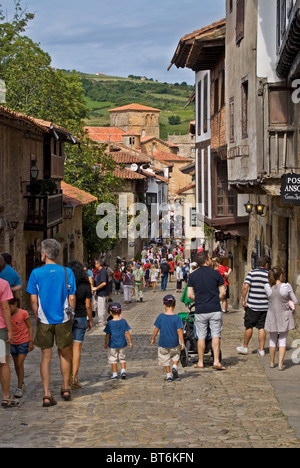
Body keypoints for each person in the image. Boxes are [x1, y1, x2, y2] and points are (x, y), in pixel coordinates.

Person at [26, 239, 76, 407]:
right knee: (64, 353)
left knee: (45, 357)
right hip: (63, 318)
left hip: (44, 319)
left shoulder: (36, 274)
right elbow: (72, 297)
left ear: (44, 254)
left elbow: (33, 301)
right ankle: (65, 387)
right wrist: (71, 315)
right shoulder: (66, 272)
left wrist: (37, 316)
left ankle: (47, 394)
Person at [187, 251, 226, 371]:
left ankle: (200, 362)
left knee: (201, 336)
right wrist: (216, 299)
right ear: (207, 260)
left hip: (201, 309)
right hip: (214, 309)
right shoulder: (216, 274)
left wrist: (198, 299)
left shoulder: (193, 275)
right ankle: (216, 361)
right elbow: (223, 292)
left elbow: (189, 295)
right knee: (215, 335)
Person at [264, 266, 298, 371]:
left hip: (272, 315)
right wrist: (288, 302)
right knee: (282, 340)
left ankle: (271, 362)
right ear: (281, 275)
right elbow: (295, 300)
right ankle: (280, 363)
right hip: (284, 315)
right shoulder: (286, 287)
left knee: (272, 340)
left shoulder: (267, 287)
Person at [237, 255, 270, 357]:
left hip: (252, 305)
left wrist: (243, 299)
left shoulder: (252, 273)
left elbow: (245, 287)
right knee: (262, 328)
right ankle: (261, 350)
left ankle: (245, 346)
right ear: (267, 264)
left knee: (249, 326)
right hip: (265, 306)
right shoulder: (269, 275)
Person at [68, 261, 93, 389]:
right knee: (77, 348)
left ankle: (66, 378)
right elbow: (88, 305)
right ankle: (74, 377)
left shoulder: (66, 284)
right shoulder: (85, 285)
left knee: (67, 348)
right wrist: (90, 319)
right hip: (81, 316)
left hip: (67, 318)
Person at [151, 295, 184, 382]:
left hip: (163, 343)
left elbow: (156, 329)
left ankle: (168, 375)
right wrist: (182, 342)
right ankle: (175, 366)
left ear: (164, 305)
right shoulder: (177, 318)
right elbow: (179, 331)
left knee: (165, 358)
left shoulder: (161, 317)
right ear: (175, 305)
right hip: (174, 342)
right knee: (176, 355)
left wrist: (153, 338)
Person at [0, 255, 17, 408]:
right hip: (0, 328)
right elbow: (5, 308)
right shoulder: (3, 284)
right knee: (3, 362)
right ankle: (5, 396)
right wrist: (10, 330)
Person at [9, 297, 34, 398]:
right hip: (13, 343)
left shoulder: (23, 313)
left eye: (10, 306)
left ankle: (19, 387)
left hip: (23, 341)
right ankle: (21, 381)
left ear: (15, 304)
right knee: (16, 364)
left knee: (20, 363)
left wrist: (31, 341)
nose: (8, 309)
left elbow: (30, 327)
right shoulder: (7, 315)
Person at [104, 302, 133, 380]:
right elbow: (127, 332)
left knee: (113, 359)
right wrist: (130, 341)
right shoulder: (123, 321)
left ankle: (115, 374)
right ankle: (123, 371)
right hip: (122, 343)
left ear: (110, 312)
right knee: (122, 358)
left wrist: (106, 342)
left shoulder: (110, 323)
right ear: (120, 311)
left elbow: (107, 334)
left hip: (112, 344)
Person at [93, 259, 108, 326]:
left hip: (102, 292)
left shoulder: (103, 271)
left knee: (101, 307)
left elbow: (104, 283)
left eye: (96, 264)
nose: (95, 265)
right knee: (101, 306)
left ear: (99, 264)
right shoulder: (101, 271)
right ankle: (103, 320)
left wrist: (96, 288)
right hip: (100, 292)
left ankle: (101, 321)